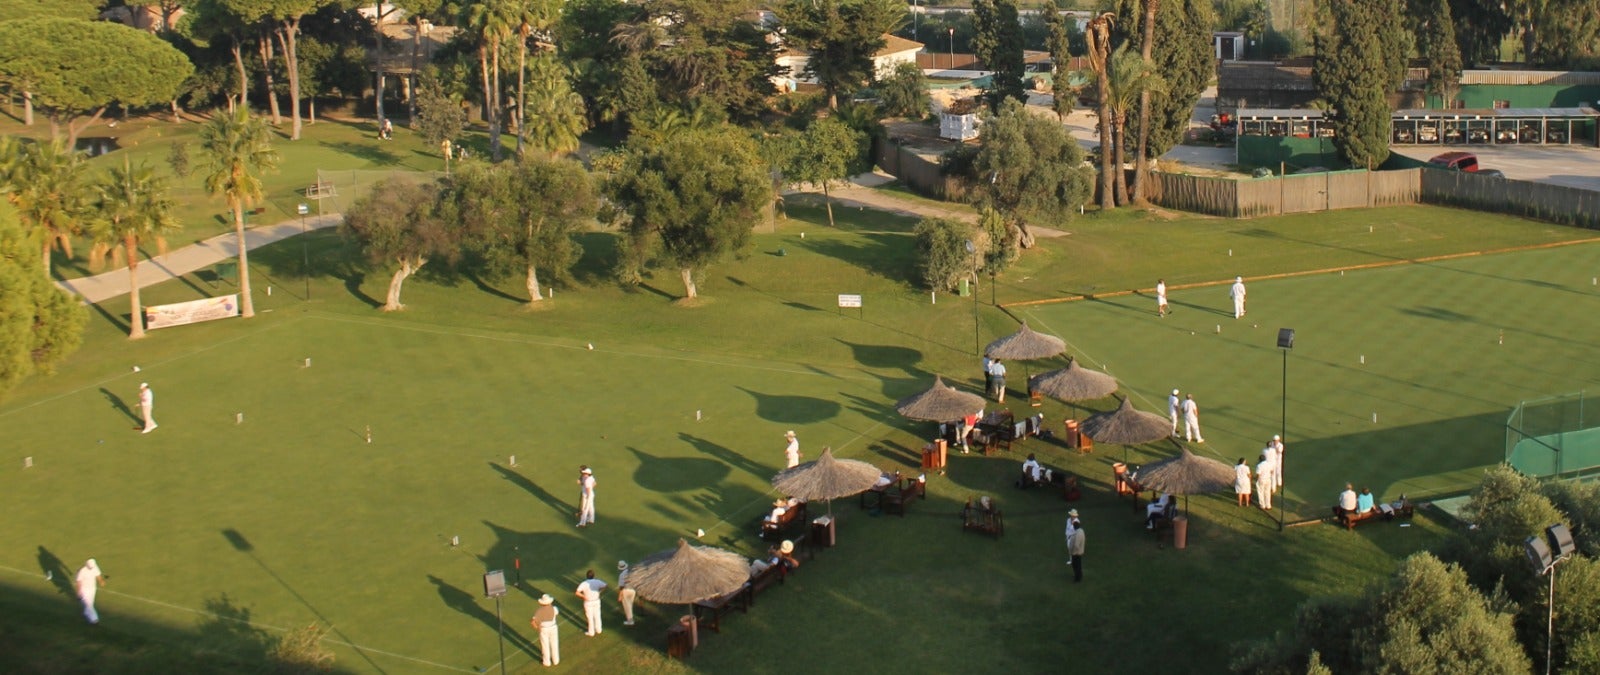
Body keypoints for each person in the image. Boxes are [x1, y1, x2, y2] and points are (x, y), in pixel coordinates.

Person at [575, 569, 607, 636]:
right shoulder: (597, 581)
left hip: (588, 602)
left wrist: (583, 596)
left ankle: (591, 632)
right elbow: (605, 585)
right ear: (593, 575)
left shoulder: (584, 583)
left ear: (586, 576)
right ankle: (599, 629)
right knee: (597, 615)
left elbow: (577, 592)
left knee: (590, 617)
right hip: (596, 600)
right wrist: (600, 591)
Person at [532, 594, 560, 666]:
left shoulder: (539, 611)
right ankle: (556, 660)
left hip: (544, 629)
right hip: (553, 627)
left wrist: (538, 628)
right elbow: (556, 614)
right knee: (554, 644)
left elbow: (533, 622)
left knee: (545, 645)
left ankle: (547, 662)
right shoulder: (554, 608)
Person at [76, 558, 105, 624]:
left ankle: (86, 613)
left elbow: (98, 575)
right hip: (84, 589)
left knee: (90, 603)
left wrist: (101, 581)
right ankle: (94, 619)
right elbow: (78, 582)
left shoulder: (95, 567)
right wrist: (79, 592)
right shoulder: (82, 571)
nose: (91, 568)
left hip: (92, 588)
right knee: (88, 604)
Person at [616, 560, 636, 626]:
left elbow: (621, 586)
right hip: (633, 590)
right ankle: (631, 618)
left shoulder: (621, 575)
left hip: (626, 590)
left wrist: (620, 595)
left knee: (627, 607)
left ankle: (630, 621)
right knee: (630, 604)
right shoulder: (631, 571)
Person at [1066, 518, 1085, 582]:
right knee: (1078, 565)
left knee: (1076, 566)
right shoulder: (1081, 531)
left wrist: (1073, 551)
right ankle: (1079, 576)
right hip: (1078, 552)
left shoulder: (1078, 533)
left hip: (1076, 553)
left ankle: (1077, 578)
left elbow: (1076, 545)